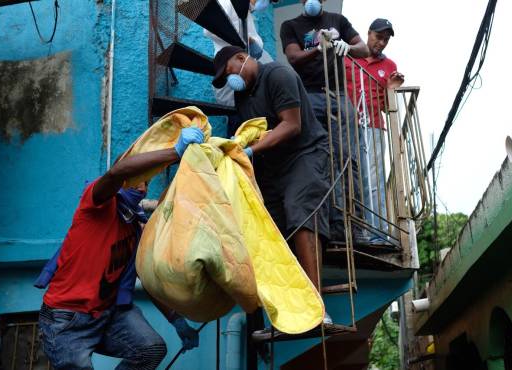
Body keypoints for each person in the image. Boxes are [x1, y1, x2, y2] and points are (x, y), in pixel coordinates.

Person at [35, 128, 204, 369]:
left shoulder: (135, 225)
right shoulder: (98, 202)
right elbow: (117, 171)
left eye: (147, 183)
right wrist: (174, 152)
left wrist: (177, 321)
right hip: (67, 319)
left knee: (151, 349)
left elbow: (147, 279)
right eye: (139, 179)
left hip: (108, 314)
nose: (143, 189)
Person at [211, 46, 332, 323]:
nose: (230, 79)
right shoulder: (241, 97)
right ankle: (287, 306)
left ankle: (317, 305)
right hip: (273, 166)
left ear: (242, 58)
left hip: (305, 153)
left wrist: (250, 151)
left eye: (229, 71)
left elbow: (291, 125)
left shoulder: (278, 74)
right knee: (265, 226)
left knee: (299, 209)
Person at [280, 0, 371, 244]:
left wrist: (345, 47)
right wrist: (320, 48)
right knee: (318, 160)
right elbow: (293, 57)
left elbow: (364, 48)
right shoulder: (291, 25)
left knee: (348, 158)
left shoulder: (337, 21)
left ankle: (354, 225)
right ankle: (328, 225)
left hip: (339, 96)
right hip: (308, 97)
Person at [344, 18, 404, 238]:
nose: (381, 43)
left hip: (375, 127)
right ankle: (354, 230)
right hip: (349, 127)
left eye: (386, 40)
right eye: (378, 37)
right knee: (351, 179)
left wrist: (391, 89)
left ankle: (378, 233)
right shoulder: (348, 57)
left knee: (374, 180)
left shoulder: (390, 66)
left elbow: (389, 109)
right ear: (368, 34)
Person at [204, 0, 274, 108]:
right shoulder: (227, 3)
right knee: (237, 108)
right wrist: (242, 40)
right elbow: (209, 30)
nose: (265, 2)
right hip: (233, 65)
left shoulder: (247, 12)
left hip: (249, 62)